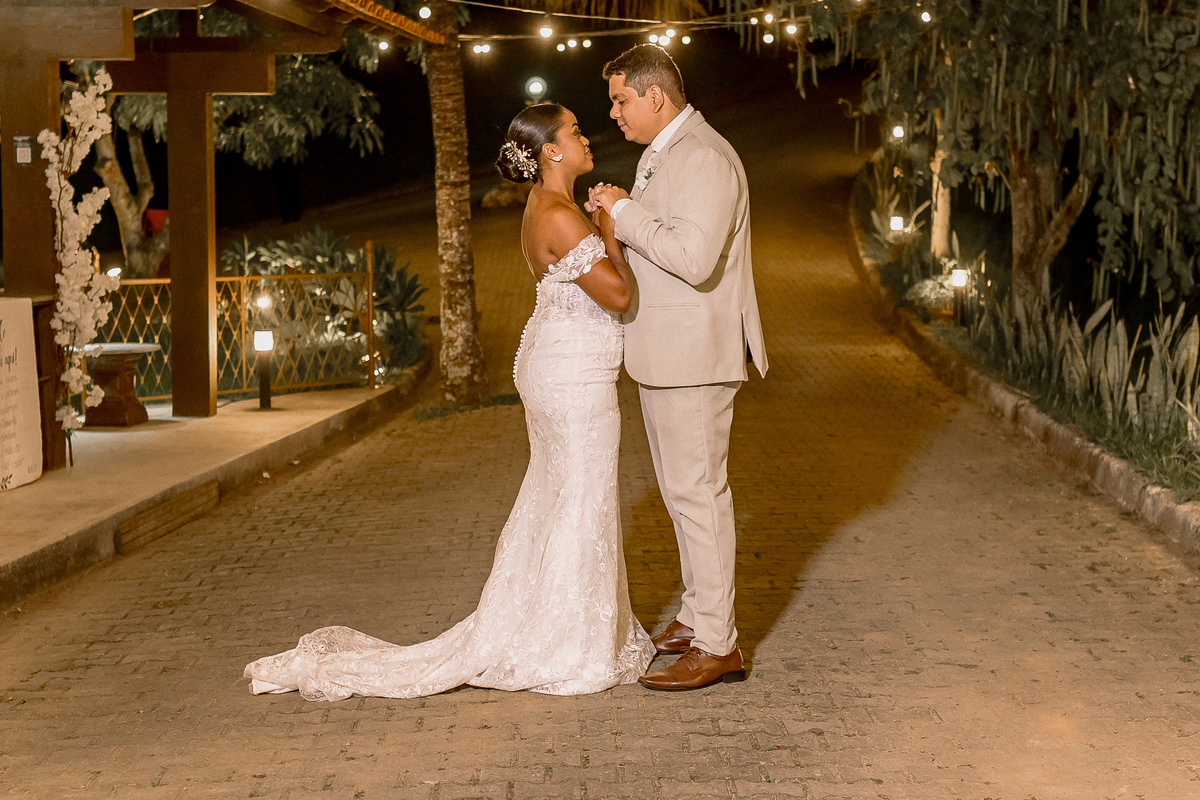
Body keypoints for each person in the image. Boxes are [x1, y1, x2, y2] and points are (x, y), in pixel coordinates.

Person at [243, 103, 654, 701]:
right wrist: (613, 224)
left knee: (563, 495)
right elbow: (617, 296)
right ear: (551, 151)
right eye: (575, 131)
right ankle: (570, 643)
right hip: (572, 378)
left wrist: (598, 221)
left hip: (561, 368)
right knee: (581, 495)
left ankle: (560, 628)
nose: (586, 136)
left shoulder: (549, 207)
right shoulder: (559, 216)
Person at [586, 44, 768, 691]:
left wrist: (623, 212)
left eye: (620, 100)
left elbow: (693, 258)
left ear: (655, 95)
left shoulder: (705, 157)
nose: (613, 113)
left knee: (700, 496)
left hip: (694, 355)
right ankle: (696, 618)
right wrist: (618, 217)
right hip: (666, 353)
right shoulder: (664, 153)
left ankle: (719, 646)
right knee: (681, 496)